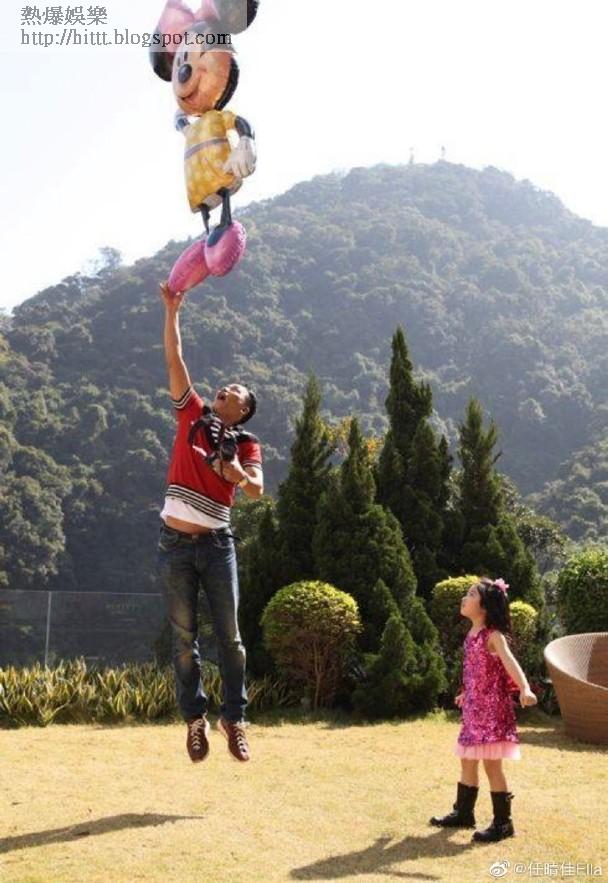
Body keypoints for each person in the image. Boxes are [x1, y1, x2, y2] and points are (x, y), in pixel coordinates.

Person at [157, 281, 264, 764]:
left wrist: (233, 469)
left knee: (231, 639)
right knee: (184, 640)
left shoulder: (246, 444)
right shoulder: (193, 413)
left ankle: (234, 719)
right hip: (175, 544)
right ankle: (195, 719)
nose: (228, 389)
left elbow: (256, 490)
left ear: (243, 410)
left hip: (218, 545)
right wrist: (172, 311)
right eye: (227, 387)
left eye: (237, 392)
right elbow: (174, 360)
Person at [430, 577, 538, 842]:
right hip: (474, 710)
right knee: (467, 759)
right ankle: (464, 812)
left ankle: (503, 823)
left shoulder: (493, 636)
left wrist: (524, 688)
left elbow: (510, 663)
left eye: (471, 594)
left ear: (485, 606)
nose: (464, 598)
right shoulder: (471, 635)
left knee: (492, 765)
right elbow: (477, 671)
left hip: (492, 713)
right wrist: (466, 692)